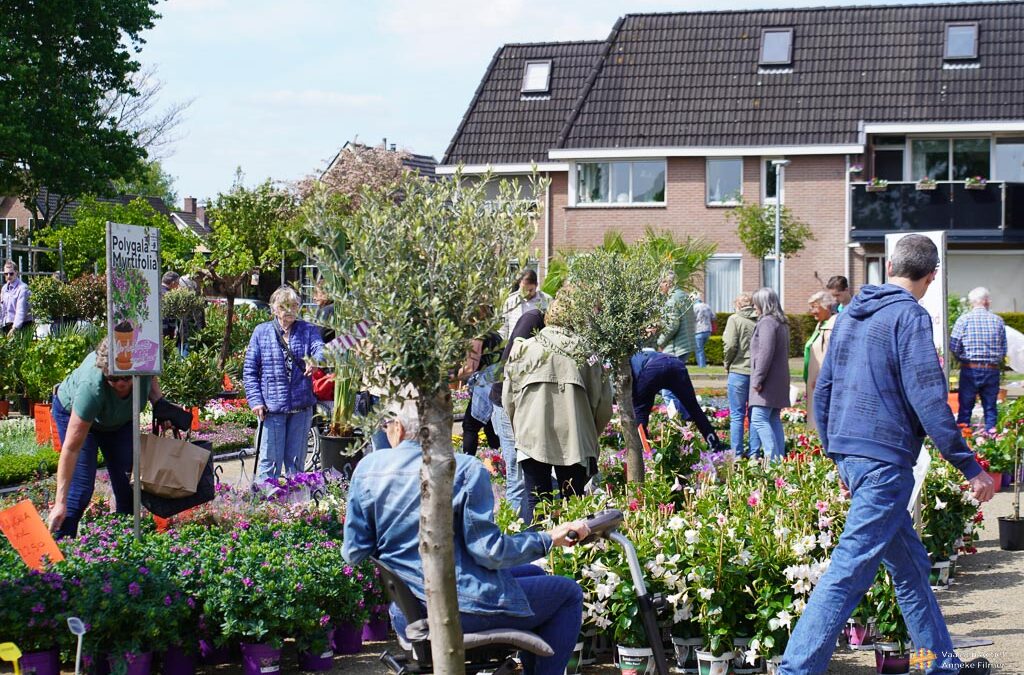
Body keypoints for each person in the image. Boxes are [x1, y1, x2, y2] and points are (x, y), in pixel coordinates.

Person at [781, 234, 995, 675]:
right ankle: (796, 669)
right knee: (850, 569)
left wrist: (835, 451)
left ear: (892, 266)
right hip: (884, 460)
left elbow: (823, 390)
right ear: (931, 276)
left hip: (855, 454)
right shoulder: (909, 317)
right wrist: (971, 467)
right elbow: (929, 400)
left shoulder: (850, 316)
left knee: (912, 567)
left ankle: (942, 665)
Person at [342, 400, 589, 675]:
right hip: (457, 609)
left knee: (534, 573)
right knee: (568, 593)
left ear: (398, 428)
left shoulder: (368, 469)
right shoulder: (463, 468)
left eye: (386, 424)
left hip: (406, 612)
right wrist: (548, 539)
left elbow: (354, 552)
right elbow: (489, 552)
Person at [504, 293, 612, 525]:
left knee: (536, 501)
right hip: (575, 436)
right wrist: (591, 434)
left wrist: (519, 428)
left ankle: (536, 555)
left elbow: (508, 399)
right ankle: (574, 558)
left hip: (531, 435)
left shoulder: (522, 349)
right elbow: (603, 404)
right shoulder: (589, 354)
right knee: (574, 502)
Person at [47, 338, 169, 538]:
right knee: (80, 490)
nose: (120, 383)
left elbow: (150, 380)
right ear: (103, 370)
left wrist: (160, 404)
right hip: (76, 414)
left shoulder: (143, 367)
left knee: (129, 486)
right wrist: (59, 503)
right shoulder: (91, 387)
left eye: (127, 377)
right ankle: (60, 550)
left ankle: (122, 545)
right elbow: (71, 449)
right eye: (112, 378)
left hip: (118, 421)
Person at [244, 286, 324, 480]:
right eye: (284, 306)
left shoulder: (308, 330)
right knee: (269, 461)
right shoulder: (261, 332)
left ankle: (293, 506)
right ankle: (266, 506)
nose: (290, 311)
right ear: (274, 308)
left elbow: (320, 348)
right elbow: (250, 371)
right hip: (272, 409)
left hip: (301, 407)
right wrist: (256, 401)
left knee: (296, 463)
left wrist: (315, 360)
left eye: (294, 306)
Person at [489, 307, 546, 516]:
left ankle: (523, 526)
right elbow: (512, 361)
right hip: (506, 401)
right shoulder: (533, 318)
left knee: (526, 473)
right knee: (517, 474)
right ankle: (514, 531)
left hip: (524, 403)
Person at [631, 349, 724, 449]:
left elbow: (634, 387)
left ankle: (645, 452)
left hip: (652, 368)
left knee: (640, 412)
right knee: (693, 407)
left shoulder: (625, 362)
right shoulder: (640, 353)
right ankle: (714, 444)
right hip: (675, 363)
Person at [950, 287, 1006, 431]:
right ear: (986, 301)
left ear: (971, 302)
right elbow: (1003, 348)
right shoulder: (998, 321)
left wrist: (962, 358)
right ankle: (991, 440)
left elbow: (954, 345)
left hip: (970, 368)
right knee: (990, 409)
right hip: (991, 369)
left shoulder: (964, 320)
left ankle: (964, 441)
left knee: (965, 409)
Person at [748, 287, 790, 461]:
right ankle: (779, 459)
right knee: (773, 419)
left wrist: (757, 379)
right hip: (779, 379)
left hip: (767, 381)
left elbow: (765, 352)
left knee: (758, 419)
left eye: (756, 304)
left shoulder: (766, 323)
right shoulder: (781, 322)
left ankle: (772, 459)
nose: (754, 307)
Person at [722, 292, 760, 457]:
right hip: (757, 372)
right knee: (755, 415)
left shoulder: (734, 319)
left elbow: (730, 345)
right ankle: (754, 454)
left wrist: (726, 363)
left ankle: (737, 454)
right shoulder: (760, 320)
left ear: (737, 305)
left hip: (738, 370)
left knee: (737, 415)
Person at [456, 320, 502, 457]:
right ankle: (501, 463)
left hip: (487, 384)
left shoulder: (478, 336)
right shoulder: (492, 331)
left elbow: (471, 367)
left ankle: (466, 463)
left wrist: (453, 375)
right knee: (490, 425)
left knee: (470, 425)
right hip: (498, 382)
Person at [804, 290, 837, 430]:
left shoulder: (833, 326)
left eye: (815, 307)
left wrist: (822, 377)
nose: (812, 311)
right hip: (813, 381)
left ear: (826, 306)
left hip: (822, 381)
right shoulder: (820, 325)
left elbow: (831, 355)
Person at [499, 269, 551, 339]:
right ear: (520, 284)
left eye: (530, 290)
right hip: (514, 345)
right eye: (524, 290)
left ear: (536, 285)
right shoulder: (510, 301)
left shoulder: (546, 300)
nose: (528, 293)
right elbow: (503, 328)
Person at [1, 260, 33, 337]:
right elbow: (2, 308)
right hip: (7, 324)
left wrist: (15, 328)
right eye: (6, 274)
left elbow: (20, 310)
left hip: (22, 325)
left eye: (11, 273)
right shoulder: (4, 288)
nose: (8, 276)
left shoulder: (22, 288)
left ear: (16, 273)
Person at [691, 292, 715, 368]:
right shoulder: (707, 306)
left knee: (699, 349)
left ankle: (702, 366)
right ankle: (702, 364)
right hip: (708, 330)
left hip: (698, 330)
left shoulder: (694, 307)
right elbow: (714, 317)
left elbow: (691, 318)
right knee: (701, 349)